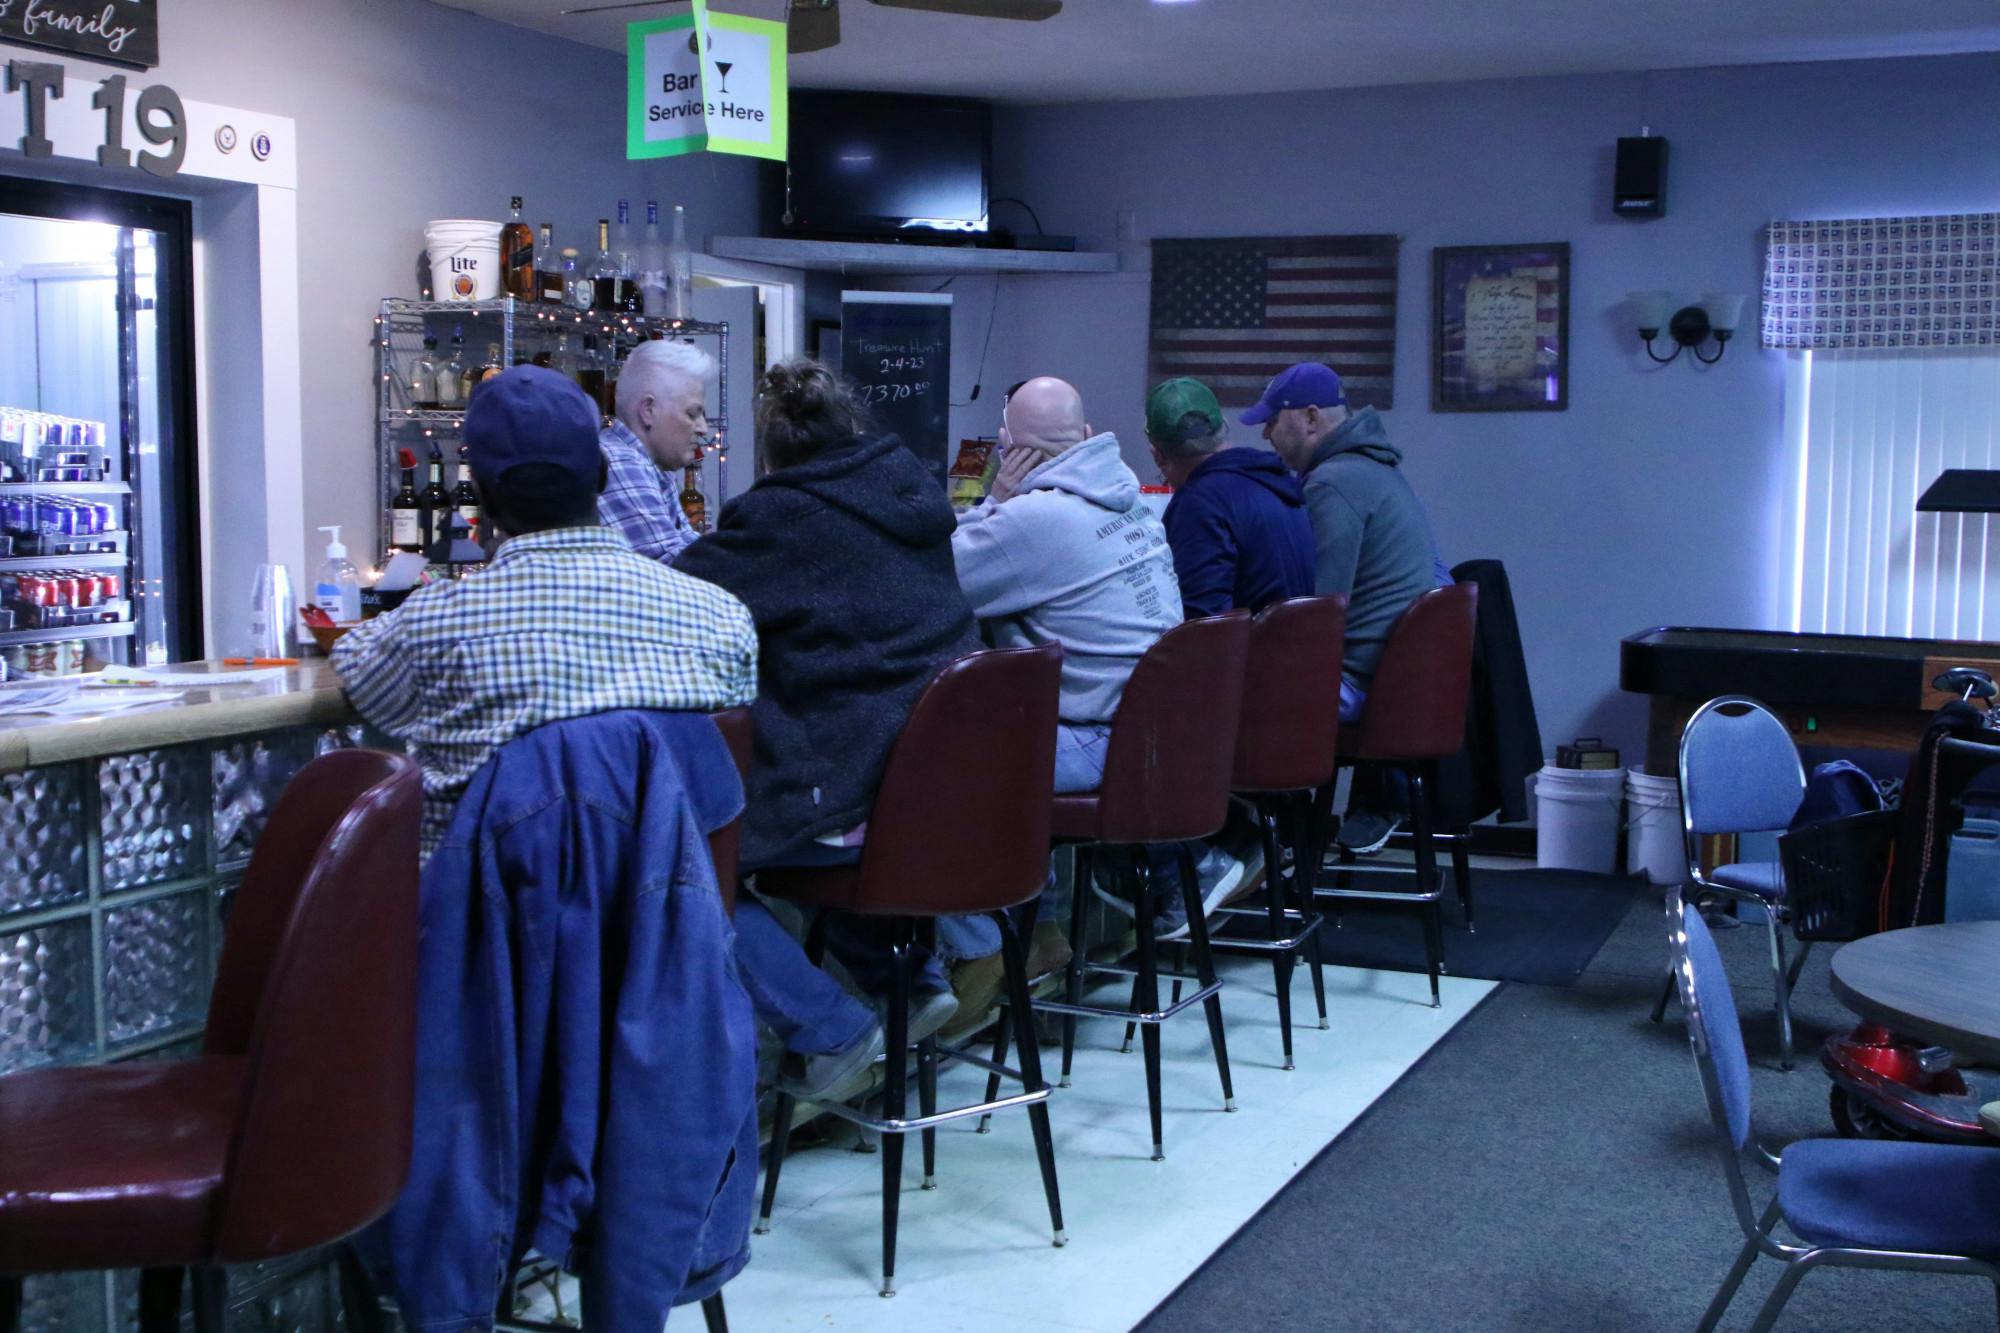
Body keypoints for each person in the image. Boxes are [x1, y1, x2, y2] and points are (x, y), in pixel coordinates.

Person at [334, 366, 875, 1104]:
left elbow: (360, 678)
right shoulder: (715, 619)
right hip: (673, 931)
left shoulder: (436, 628)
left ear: (482, 496)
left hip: (489, 957)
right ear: (598, 474)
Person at [675, 358, 987, 1055]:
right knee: (828, 798)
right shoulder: (912, 492)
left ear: (774, 449)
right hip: (948, 791)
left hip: (861, 797)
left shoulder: (781, 516)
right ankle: (907, 978)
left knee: (682, 854)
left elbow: (674, 599)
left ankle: (829, 1030)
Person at [951, 376, 1240, 967]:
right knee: (1008, 740)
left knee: (946, 762)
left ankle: (998, 950)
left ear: (1010, 448)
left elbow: (940, 582)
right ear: (1086, 437)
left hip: (1103, 743)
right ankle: (1048, 931)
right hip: (1164, 737)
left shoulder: (1031, 519)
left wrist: (995, 500)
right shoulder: (1132, 497)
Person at [1244, 361, 1447, 854]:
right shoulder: (1377, 470)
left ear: (1311, 418)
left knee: (1210, 699)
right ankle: (1273, 846)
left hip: (1356, 685)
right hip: (1392, 682)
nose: (1266, 432)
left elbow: (1311, 614)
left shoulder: (1333, 485)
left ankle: (1247, 852)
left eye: (1273, 420)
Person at [1145, 375, 1314, 617]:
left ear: (1158, 455)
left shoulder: (1199, 505)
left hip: (1251, 654)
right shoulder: (1280, 483)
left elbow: (1203, 629)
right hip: (1302, 652)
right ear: (1223, 426)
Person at [598, 337, 710, 563]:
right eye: (692, 414)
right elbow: (676, 568)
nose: (703, 429)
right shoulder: (620, 463)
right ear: (648, 411)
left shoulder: (653, 464)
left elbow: (688, 546)